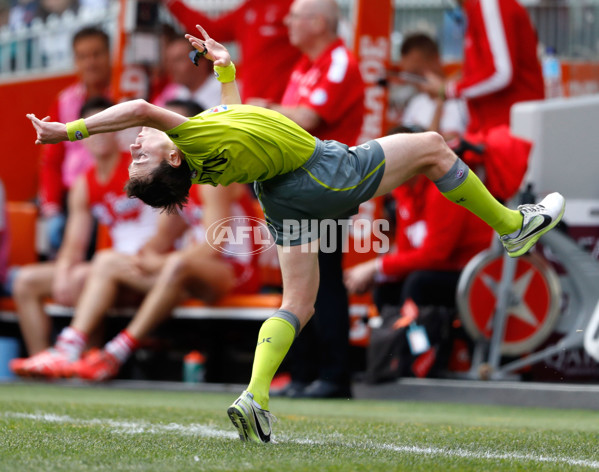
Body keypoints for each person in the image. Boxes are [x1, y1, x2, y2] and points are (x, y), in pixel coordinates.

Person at [27, 26, 565, 444]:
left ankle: (254, 397)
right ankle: (513, 226)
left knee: (298, 303)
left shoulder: (204, 147)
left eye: (134, 152)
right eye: (140, 155)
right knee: (431, 146)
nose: (135, 144)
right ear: (171, 155)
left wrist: (225, 67)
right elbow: (140, 109)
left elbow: (237, 117)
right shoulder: (181, 135)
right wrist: (67, 130)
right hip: (320, 170)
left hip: (282, 196)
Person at [12, 179, 261, 381]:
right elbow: (162, 239)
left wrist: (159, 262)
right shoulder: (178, 186)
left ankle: (115, 353)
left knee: (176, 264)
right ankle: (68, 348)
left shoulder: (214, 181)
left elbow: (213, 246)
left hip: (235, 270)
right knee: (106, 260)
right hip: (190, 272)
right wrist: (147, 257)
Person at [247, 0, 363, 399]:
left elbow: (308, 119)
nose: (286, 22)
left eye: (295, 16)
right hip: (302, 186)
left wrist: (264, 110)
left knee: (324, 281)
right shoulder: (306, 66)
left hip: (328, 185)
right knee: (300, 282)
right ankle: (303, 375)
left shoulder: (338, 62)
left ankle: (333, 376)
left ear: (318, 22)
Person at [13, 97, 159, 363]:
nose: (99, 136)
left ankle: (80, 360)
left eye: (105, 127)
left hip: (147, 265)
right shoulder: (84, 184)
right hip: (114, 265)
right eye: (94, 129)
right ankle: (43, 365)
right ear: (83, 136)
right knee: (25, 281)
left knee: (84, 275)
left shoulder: (139, 165)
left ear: (115, 131)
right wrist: (62, 274)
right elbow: (74, 244)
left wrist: (151, 256)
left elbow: (170, 220)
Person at [344, 173, 493, 310]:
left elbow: (435, 256)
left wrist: (375, 267)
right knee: (385, 289)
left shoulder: (441, 190)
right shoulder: (404, 192)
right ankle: (393, 336)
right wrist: (378, 276)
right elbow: (405, 252)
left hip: (476, 273)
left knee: (417, 283)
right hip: (444, 269)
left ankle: (415, 336)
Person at [38, 26, 112, 256]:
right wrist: (51, 209)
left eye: (97, 54)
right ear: (75, 61)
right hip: (72, 197)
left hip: (113, 192)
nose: (90, 63)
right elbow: (51, 160)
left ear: (110, 55)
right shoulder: (64, 100)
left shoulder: (126, 92)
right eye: (82, 56)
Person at [419, 0, 544, 135]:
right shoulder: (477, 7)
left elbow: (500, 73)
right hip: (492, 132)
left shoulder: (490, 4)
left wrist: (447, 89)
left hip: (507, 133)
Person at [162, 0, 300, 103]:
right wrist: (171, 3)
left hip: (285, 106)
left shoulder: (294, 6)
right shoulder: (250, 8)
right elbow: (211, 30)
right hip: (253, 106)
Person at [398, 32, 468, 141]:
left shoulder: (463, 99)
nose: (415, 80)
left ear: (435, 59)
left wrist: (443, 91)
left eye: (417, 72)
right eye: (410, 75)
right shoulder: (416, 104)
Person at [152, 36, 221, 109]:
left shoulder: (225, 89)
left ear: (201, 61)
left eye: (178, 60)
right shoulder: (175, 91)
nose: (171, 67)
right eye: (168, 61)